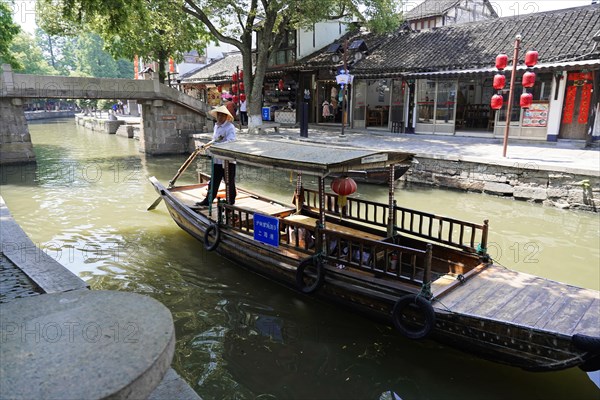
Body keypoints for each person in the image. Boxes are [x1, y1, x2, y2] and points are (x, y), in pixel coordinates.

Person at [198, 105, 237, 206]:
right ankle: (208, 200)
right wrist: (207, 145)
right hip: (217, 159)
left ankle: (231, 202)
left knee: (229, 182)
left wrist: (216, 145)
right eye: (218, 115)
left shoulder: (230, 127)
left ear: (226, 116)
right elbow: (214, 140)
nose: (220, 117)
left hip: (227, 160)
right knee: (214, 181)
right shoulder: (216, 126)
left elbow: (231, 141)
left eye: (222, 115)